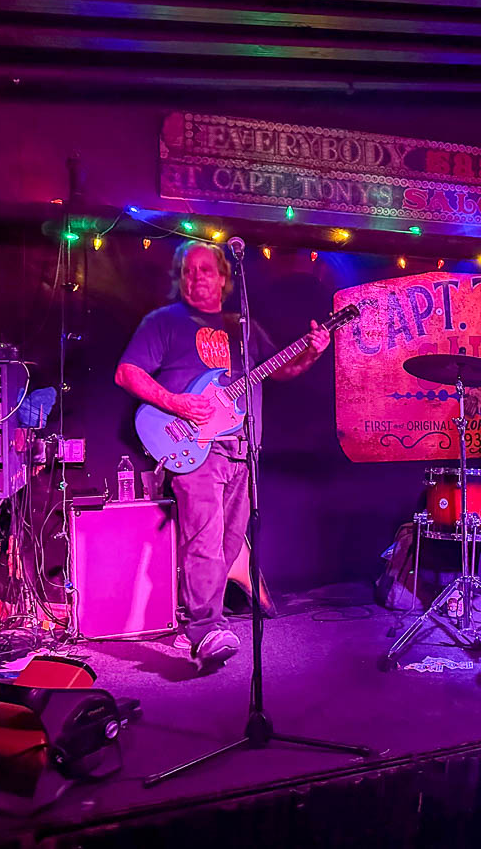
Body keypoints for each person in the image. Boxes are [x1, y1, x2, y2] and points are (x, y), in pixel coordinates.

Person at [115, 240, 329, 671]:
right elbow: (127, 372)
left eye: (205, 270)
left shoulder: (242, 326)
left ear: (225, 278)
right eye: (189, 271)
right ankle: (203, 628)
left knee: (230, 543)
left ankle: (199, 626)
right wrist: (177, 404)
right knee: (205, 540)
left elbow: (280, 368)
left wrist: (311, 352)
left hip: (243, 447)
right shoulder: (164, 322)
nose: (196, 278)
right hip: (196, 446)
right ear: (180, 278)